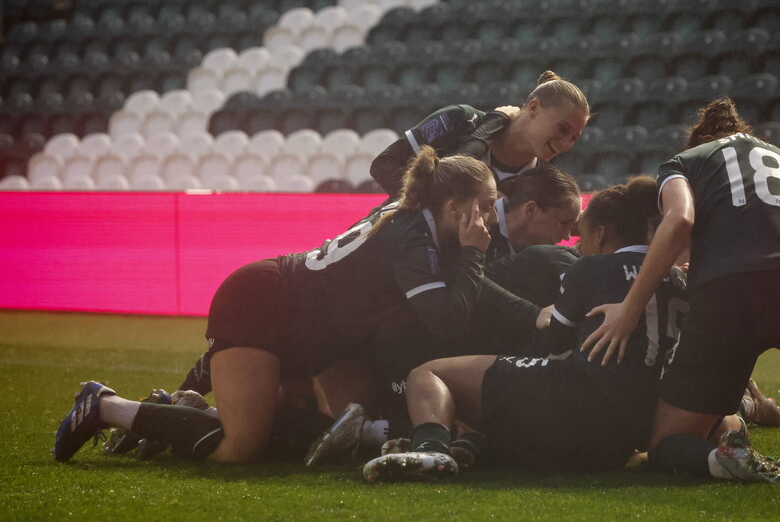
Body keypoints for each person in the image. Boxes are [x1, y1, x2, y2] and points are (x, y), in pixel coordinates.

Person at [53, 147, 501, 464]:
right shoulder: (415, 236)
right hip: (266, 304)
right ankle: (108, 406)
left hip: (310, 330)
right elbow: (446, 320)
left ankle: (177, 414)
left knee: (329, 430)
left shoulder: (415, 222)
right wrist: (475, 253)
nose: (491, 217)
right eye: (487, 205)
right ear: (455, 205)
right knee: (240, 449)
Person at [361, 176, 702, 481]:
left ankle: (432, 451)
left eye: (579, 232)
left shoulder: (589, 268)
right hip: (623, 440)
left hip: (574, 409)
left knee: (427, 375)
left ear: (601, 233)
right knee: (499, 390)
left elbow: (556, 342)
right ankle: (473, 443)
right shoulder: (678, 280)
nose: (573, 242)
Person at [580, 98, 780, 483]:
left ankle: (730, 456)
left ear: (699, 140)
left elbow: (680, 218)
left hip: (731, 299)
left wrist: (631, 306)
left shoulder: (684, 162)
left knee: (667, 443)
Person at [370, 70, 590, 199]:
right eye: (563, 128)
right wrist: (425, 205)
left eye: (574, 138)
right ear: (533, 108)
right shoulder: (460, 120)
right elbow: (383, 165)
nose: (566, 144)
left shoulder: (539, 183)